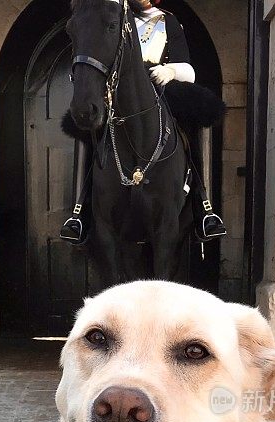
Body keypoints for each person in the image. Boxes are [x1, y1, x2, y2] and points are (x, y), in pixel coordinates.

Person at [60, 0, 226, 246]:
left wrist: (169, 71)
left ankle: (204, 205)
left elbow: (189, 70)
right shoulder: (112, 16)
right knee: (82, 124)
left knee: (199, 110)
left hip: (160, 87)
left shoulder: (167, 20)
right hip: (121, 91)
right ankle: (79, 210)